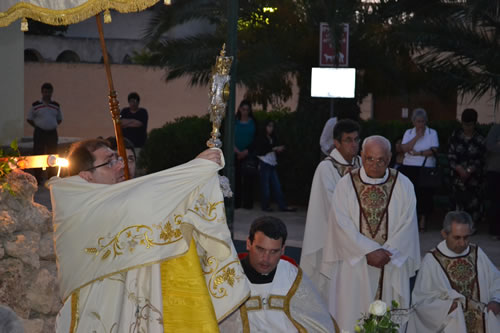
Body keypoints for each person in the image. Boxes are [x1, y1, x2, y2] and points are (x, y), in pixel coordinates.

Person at [50, 139, 249, 332]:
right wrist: (194, 170)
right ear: (86, 176)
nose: (121, 166)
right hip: (95, 315)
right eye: (110, 162)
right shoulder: (76, 207)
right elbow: (145, 198)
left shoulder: (118, 203)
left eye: (119, 159)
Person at [322, 135, 421, 332]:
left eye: (381, 160)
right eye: (370, 159)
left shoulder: (403, 184)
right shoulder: (346, 184)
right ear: (361, 156)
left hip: (391, 262)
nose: (375, 165)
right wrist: (368, 251)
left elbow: (408, 224)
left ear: (390, 157)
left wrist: (387, 253)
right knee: (351, 317)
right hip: (355, 265)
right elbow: (340, 224)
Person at [219, 216, 338, 332]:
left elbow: (318, 322)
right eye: (260, 249)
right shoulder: (229, 276)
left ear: (283, 250)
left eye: (274, 251)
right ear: (249, 244)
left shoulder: (291, 275)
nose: (266, 258)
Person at [407, 211, 500, 333]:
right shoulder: (432, 260)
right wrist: (445, 308)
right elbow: (420, 301)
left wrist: (496, 300)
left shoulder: (477, 253)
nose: (462, 243)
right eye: (457, 238)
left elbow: (496, 280)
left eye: (466, 237)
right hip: (451, 325)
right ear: (444, 234)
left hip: (482, 324)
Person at [301, 119, 361, 296]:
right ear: (336, 143)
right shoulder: (326, 167)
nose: (354, 145)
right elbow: (332, 204)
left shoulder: (362, 164)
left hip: (356, 238)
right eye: (348, 140)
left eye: (357, 140)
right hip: (330, 237)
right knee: (330, 291)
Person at [399, 108, 439, 231]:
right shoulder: (409, 133)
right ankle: (411, 220)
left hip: (425, 167)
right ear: (413, 122)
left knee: (424, 194)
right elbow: (404, 148)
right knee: (410, 194)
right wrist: (417, 137)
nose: (420, 124)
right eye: (418, 121)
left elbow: (434, 150)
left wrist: (418, 153)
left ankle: (423, 220)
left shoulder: (432, 133)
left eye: (422, 121)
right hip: (409, 166)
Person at [448, 109, 486, 223]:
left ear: (474, 124)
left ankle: (472, 223)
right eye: (465, 124)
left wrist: (469, 170)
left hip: (474, 176)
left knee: (474, 194)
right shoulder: (455, 136)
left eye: (469, 125)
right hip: (457, 174)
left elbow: (481, 159)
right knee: (456, 191)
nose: (467, 127)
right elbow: (451, 155)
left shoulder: (480, 139)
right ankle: (457, 223)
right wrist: (459, 169)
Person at [27, 82, 63, 184]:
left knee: (53, 154)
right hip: (39, 133)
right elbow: (29, 118)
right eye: (45, 92)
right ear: (42, 92)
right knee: (38, 154)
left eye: (49, 92)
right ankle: (38, 178)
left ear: (52, 92)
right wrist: (38, 126)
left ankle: (52, 177)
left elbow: (59, 119)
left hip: (52, 133)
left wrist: (51, 125)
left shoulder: (56, 105)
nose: (47, 94)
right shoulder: (36, 105)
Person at [255, 120, 295, 212]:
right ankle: (265, 206)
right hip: (264, 162)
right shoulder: (261, 137)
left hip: (272, 162)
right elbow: (261, 149)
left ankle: (282, 205)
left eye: (272, 126)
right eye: (269, 126)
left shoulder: (272, 137)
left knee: (276, 185)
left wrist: (277, 149)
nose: (270, 128)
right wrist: (274, 148)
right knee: (266, 186)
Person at [234, 100, 257, 209]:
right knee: (236, 179)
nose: (245, 112)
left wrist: (246, 151)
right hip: (235, 154)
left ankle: (248, 204)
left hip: (249, 155)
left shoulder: (253, 122)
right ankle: (236, 203)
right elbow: (228, 136)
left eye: (247, 110)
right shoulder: (234, 121)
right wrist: (236, 151)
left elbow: (256, 139)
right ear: (239, 109)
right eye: (243, 109)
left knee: (249, 180)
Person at [485, 122, 500, 239]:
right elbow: (490, 145)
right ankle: (494, 231)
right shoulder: (496, 129)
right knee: (495, 201)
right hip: (495, 170)